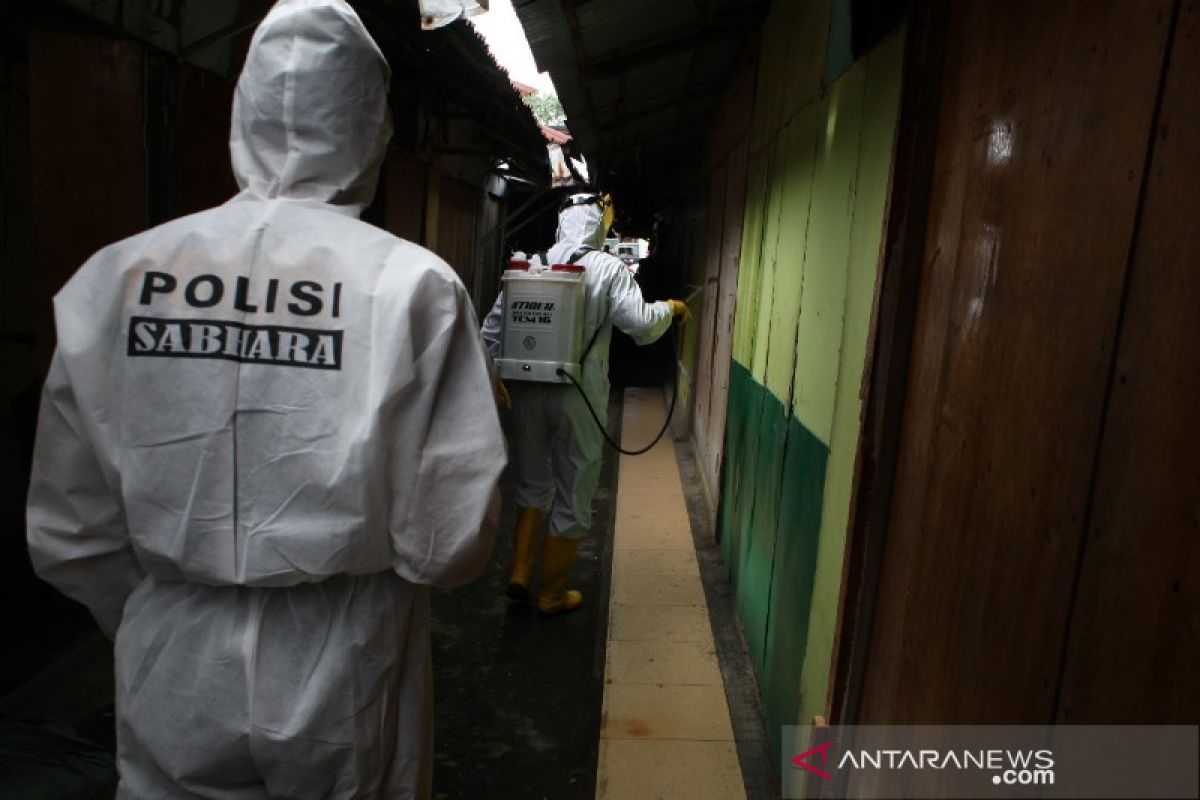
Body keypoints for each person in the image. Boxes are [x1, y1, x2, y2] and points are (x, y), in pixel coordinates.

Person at [25, 1, 506, 797]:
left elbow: (70, 524)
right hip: (341, 652)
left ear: (242, 111)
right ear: (370, 128)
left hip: (171, 650)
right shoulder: (410, 284)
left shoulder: (116, 278)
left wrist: (166, 611)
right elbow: (449, 539)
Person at [481, 193, 690, 614]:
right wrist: (669, 310)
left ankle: (519, 574)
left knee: (533, 482)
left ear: (562, 226)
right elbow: (641, 326)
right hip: (579, 393)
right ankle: (552, 594)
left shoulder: (530, 264)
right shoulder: (607, 267)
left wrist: (493, 380)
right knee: (575, 487)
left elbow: (490, 331)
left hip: (525, 388)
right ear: (598, 227)